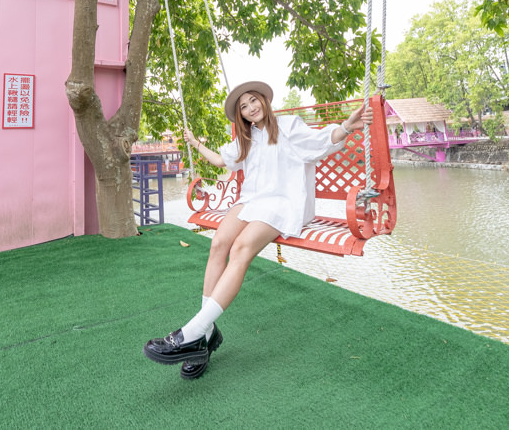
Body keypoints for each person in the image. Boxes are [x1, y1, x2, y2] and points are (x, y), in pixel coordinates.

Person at [143, 80, 372, 379]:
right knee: (218, 244)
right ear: (241, 115)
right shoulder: (245, 138)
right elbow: (220, 159)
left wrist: (347, 126)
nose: (251, 108)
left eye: (254, 101)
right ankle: (206, 334)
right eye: (244, 107)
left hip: (281, 203)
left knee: (240, 249)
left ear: (264, 100)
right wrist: (195, 143)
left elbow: (319, 142)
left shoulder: (288, 126)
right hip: (251, 200)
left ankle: (193, 332)